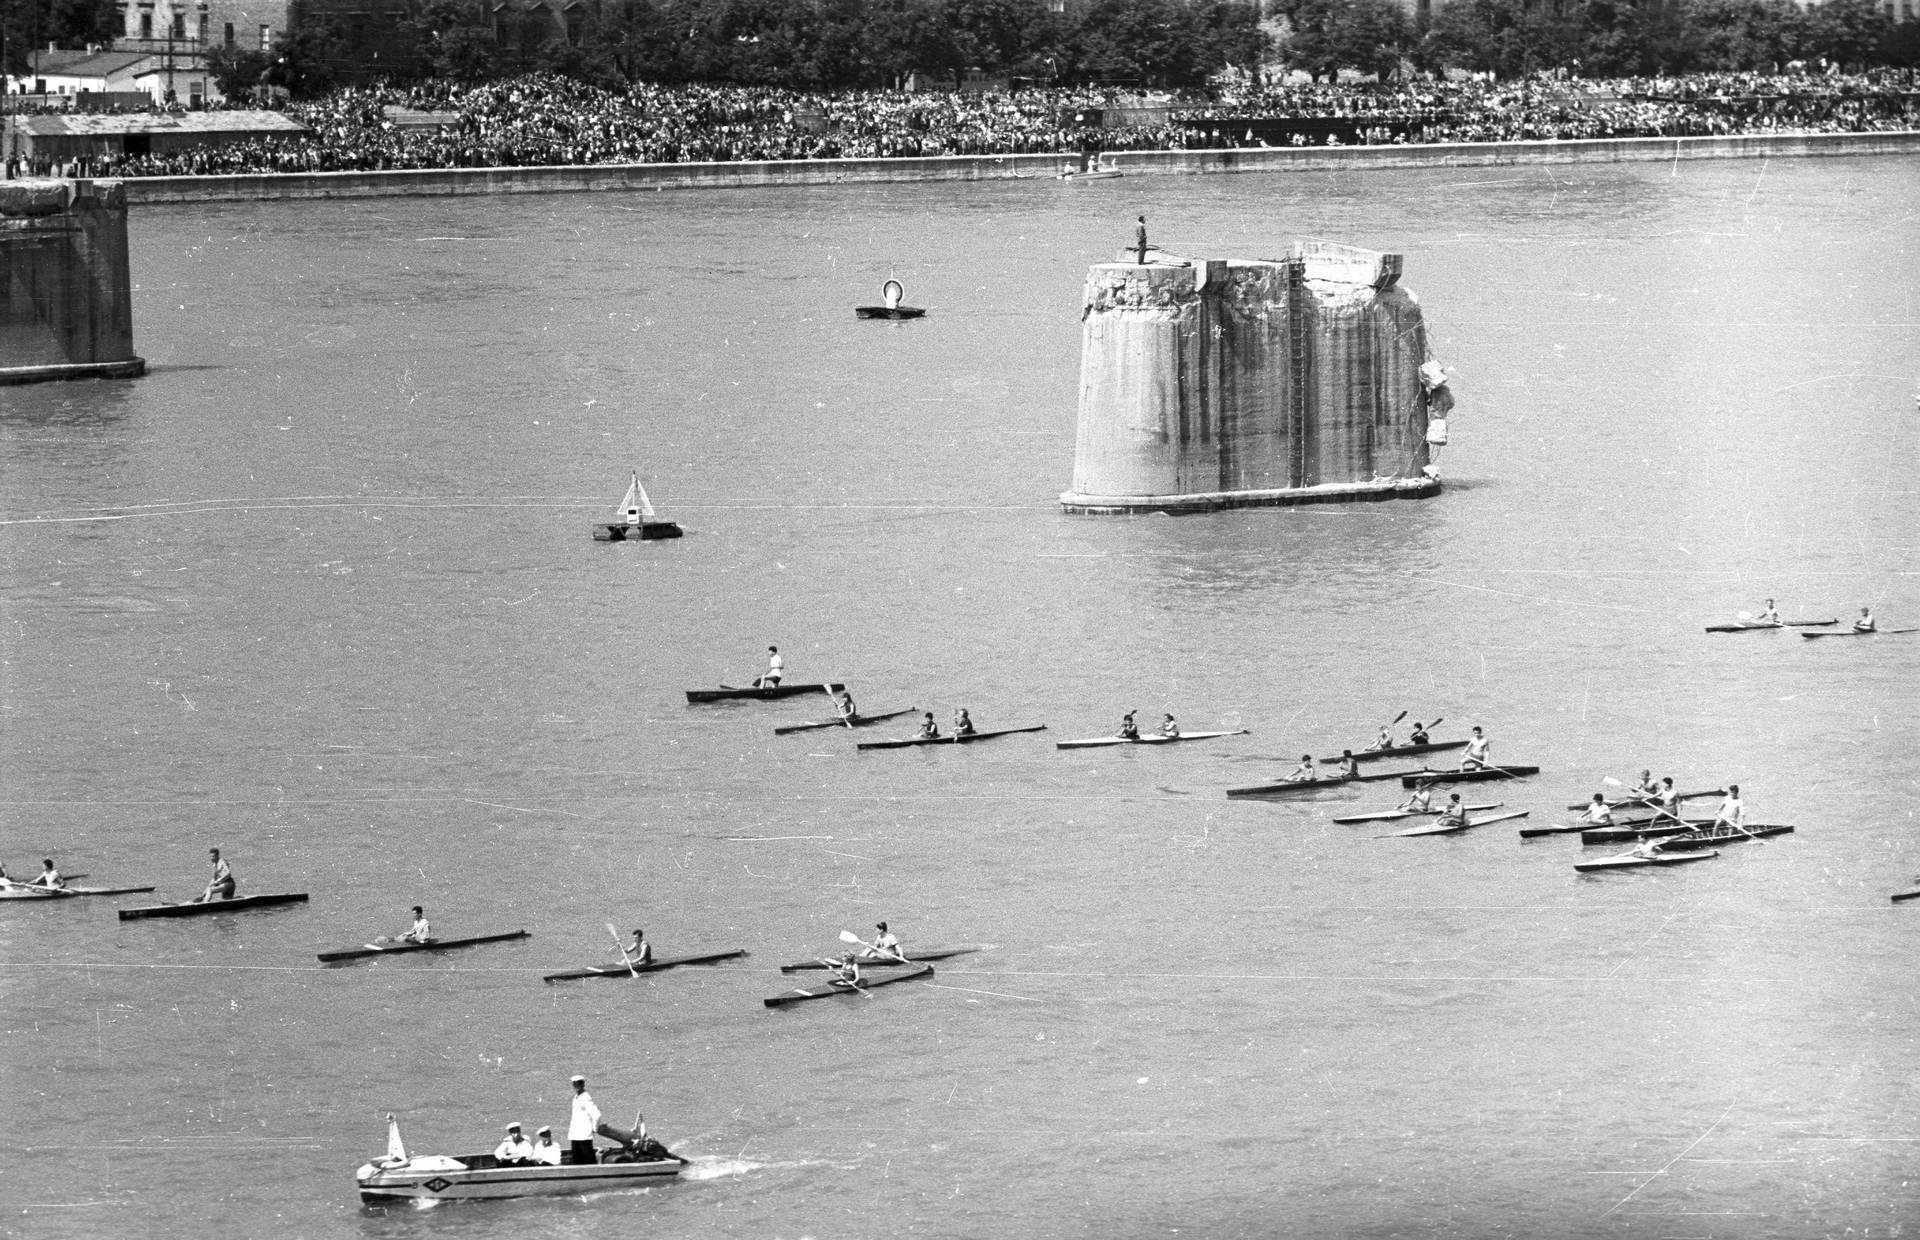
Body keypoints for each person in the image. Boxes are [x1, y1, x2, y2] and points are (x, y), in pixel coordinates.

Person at [567, 1075, 601, 1166]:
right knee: (576, 1160)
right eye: (575, 1084)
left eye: (579, 1084)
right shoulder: (576, 1097)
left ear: (583, 1085)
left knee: (588, 1160)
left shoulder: (586, 1098)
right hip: (575, 1135)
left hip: (584, 1135)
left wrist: (594, 1128)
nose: (577, 1086)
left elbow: (597, 1114)